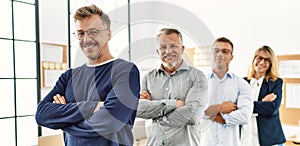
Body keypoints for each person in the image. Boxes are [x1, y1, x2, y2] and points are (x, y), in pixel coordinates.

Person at [35, 4, 140, 146]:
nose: (86, 39)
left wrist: (62, 120)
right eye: (81, 33)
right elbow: (41, 115)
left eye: (93, 32)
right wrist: (93, 107)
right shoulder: (68, 76)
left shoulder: (126, 71)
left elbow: (110, 122)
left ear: (108, 34)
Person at [136, 28, 208, 146]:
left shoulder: (197, 77)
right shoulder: (148, 78)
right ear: (157, 52)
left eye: (173, 46)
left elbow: (192, 116)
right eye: (163, 47)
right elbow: (138, 109)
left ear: (182, 49)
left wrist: (156, 116)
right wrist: (174, 104)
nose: (168, 51)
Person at [201, 37, 253, 146]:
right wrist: (220, 108)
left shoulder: (242, 84)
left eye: (225, 51)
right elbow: (192, 111)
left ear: (231, 57)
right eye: (216, 51)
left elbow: (245, 116)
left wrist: (210, 112)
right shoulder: (199, 83)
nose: (220, 54)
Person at [241, 45, 286, 146]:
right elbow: (234, 106)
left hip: (269, 140)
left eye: (267, 60)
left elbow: (272, 108)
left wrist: (245, 106)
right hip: (245, 138)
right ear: (254, 59)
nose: (262, 62)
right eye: (259, 58)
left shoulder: (276, 82)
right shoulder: (242, 82)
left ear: (271, 64)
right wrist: (261, 105)